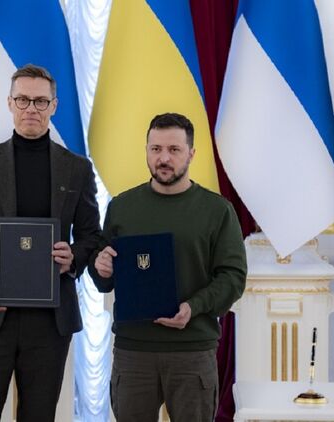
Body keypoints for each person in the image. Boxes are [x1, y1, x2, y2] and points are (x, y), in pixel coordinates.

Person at [0, 64, 101, 422]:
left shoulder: (77, 169)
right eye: (23, 100)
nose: (31, 108)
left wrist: (73, 256)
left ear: (53, 106)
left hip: (50, 321)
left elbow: (92, 236)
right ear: (10, 103)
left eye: (40, 101)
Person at [89, 112, 247, 421]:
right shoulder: (122, 207)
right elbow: (103, 276)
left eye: (174, 149)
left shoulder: (217, 210)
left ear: (191, 153)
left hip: (192, 351)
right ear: (146, 151)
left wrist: (193, 306)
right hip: (133, 353)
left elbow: (233, 277)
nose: (164, 158)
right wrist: (101, 266)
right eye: (156, 149)